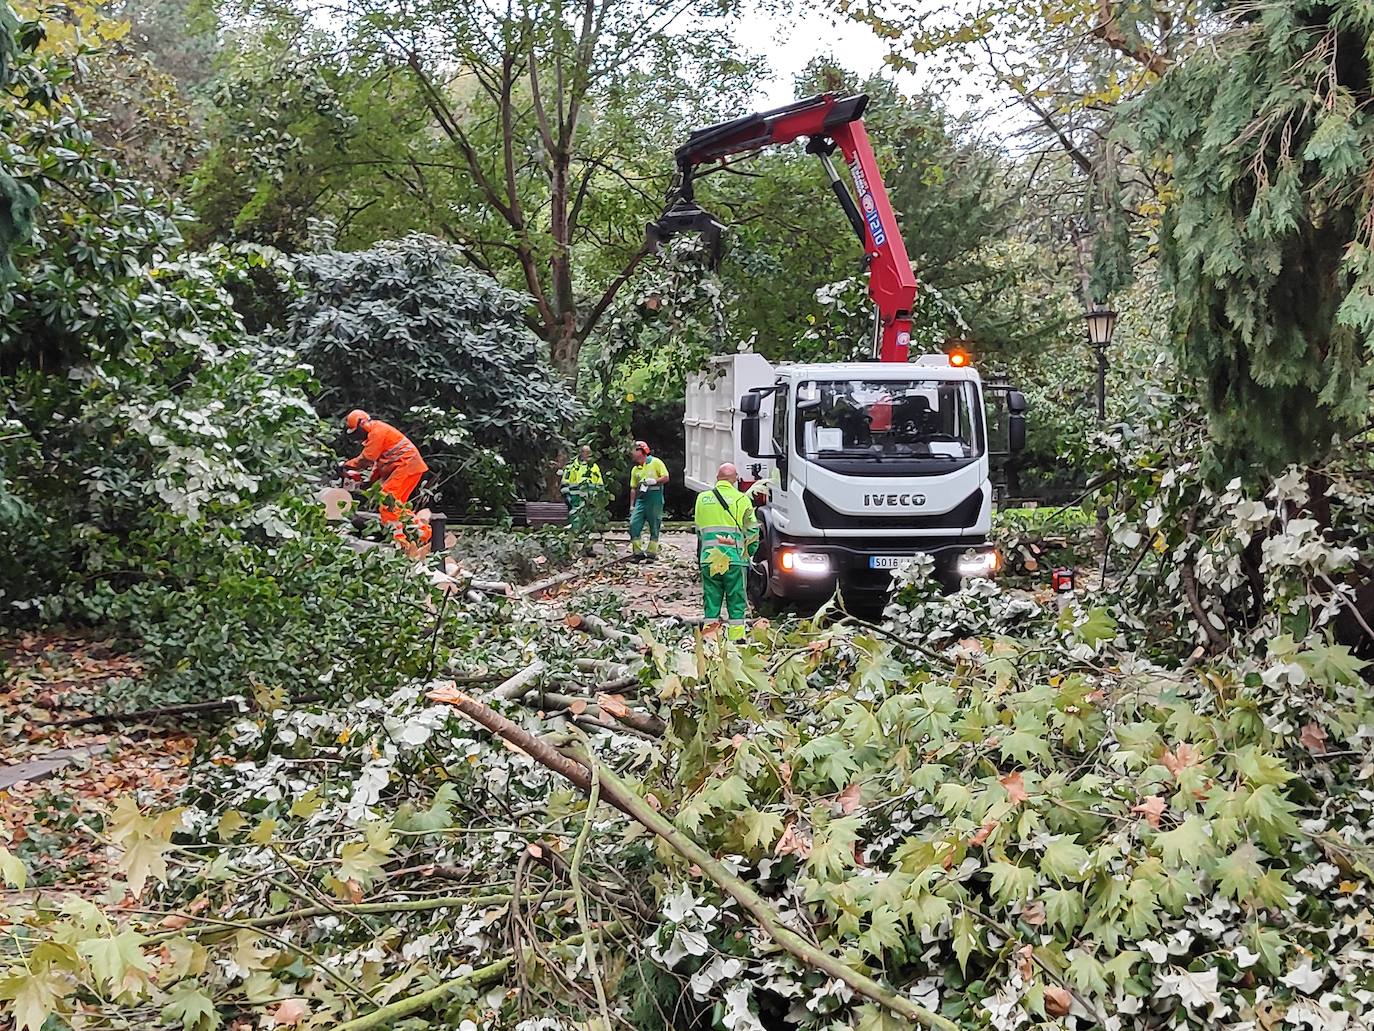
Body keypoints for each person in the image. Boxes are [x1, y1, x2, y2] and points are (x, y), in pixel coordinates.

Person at [341, 409, 431, 546]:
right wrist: (370, 482)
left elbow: (367, 458)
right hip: (407, 467)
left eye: (357, 433)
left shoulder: (377, 432)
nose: (358, 437)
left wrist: (346, 465)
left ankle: (403, 540)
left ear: (363, 424)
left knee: (388, 501)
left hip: (407, 466)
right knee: (396, 505)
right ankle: (419, 534)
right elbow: (379, 463)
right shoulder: (376, 433)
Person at [694, 462, 758, 641]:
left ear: (717, 479)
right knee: (736, 602)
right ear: (735, 479)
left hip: (709, 558)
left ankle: (709, 640)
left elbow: (699, 529)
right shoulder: (742, 499)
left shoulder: (702, 499)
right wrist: (750, 552)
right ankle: (736, 641)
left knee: (711, 602)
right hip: (735, 559)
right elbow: (752, 532)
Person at [627, 440, 669, 562]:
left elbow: (666, 477)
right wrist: (632, 505)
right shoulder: (635, 469)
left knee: (654, 525)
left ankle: (651, 553)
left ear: (642, 451)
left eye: (634, 450)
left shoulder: (656, 462)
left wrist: (655, 481)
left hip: (655, 499)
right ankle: (638, 552)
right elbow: (633, 488)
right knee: (634, 524)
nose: (632, 453)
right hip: (641, 500)